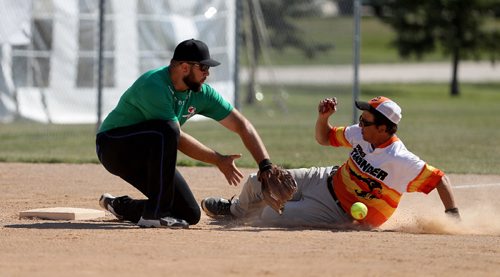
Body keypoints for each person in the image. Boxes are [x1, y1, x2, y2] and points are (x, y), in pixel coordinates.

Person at [201, 96, 461, 229]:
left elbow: (440, 179)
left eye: (367, 122)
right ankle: (235, 211)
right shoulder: (361, 134)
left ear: (384, 129)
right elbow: (324, 138)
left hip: (341, 212)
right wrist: (323, 118)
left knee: (269, 214)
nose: (360, 124)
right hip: (324, 178)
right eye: (361, 118)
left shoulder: (400, 159)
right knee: (258, 182)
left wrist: (452, 215)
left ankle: (246, 217)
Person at [96, 39, 274, 229]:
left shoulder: (201, 93)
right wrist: (217, 159)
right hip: (114, 145)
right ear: (184, 67)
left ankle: (122, 206)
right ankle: (155, 214)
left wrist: (266, 166)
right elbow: (176, 137)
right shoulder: (154, 85)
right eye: (203, 67)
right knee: (168, 130)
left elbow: (241, 125)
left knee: (189, 213)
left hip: (149, 155)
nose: (207, 73)